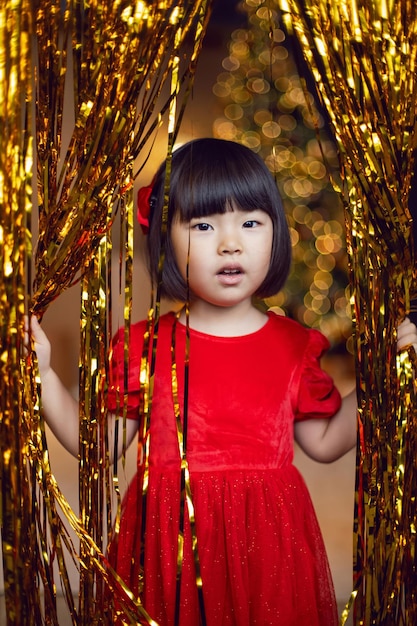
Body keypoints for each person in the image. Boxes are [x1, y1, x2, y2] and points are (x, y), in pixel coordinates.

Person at [30, 138, 417, 626]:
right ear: (165, 238)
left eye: (250, 223)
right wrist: (42, 375)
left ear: (276, 234)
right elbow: (100, 446)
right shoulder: (143, 346)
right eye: (203, 225)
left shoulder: (295, 345)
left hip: (271, 545)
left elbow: (323, 442)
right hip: (171, 543)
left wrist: (388, 378)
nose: (230, 243)